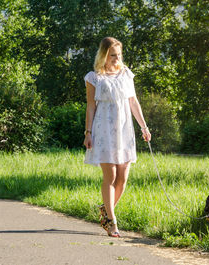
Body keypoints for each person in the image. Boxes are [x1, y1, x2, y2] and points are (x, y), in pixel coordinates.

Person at [83, 37, 151, 237]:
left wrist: (144, 127)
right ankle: (112, 222)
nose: (116, 58)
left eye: (119, 55)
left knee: (122, 179)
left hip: (124, 130)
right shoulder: (94, 77)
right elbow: (91, 106)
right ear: (103, 55)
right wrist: (88, 133)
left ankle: (105, 210)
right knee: (110, 176)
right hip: (103, 129)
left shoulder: (126, 74)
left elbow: (133, 101)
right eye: (113, 55)